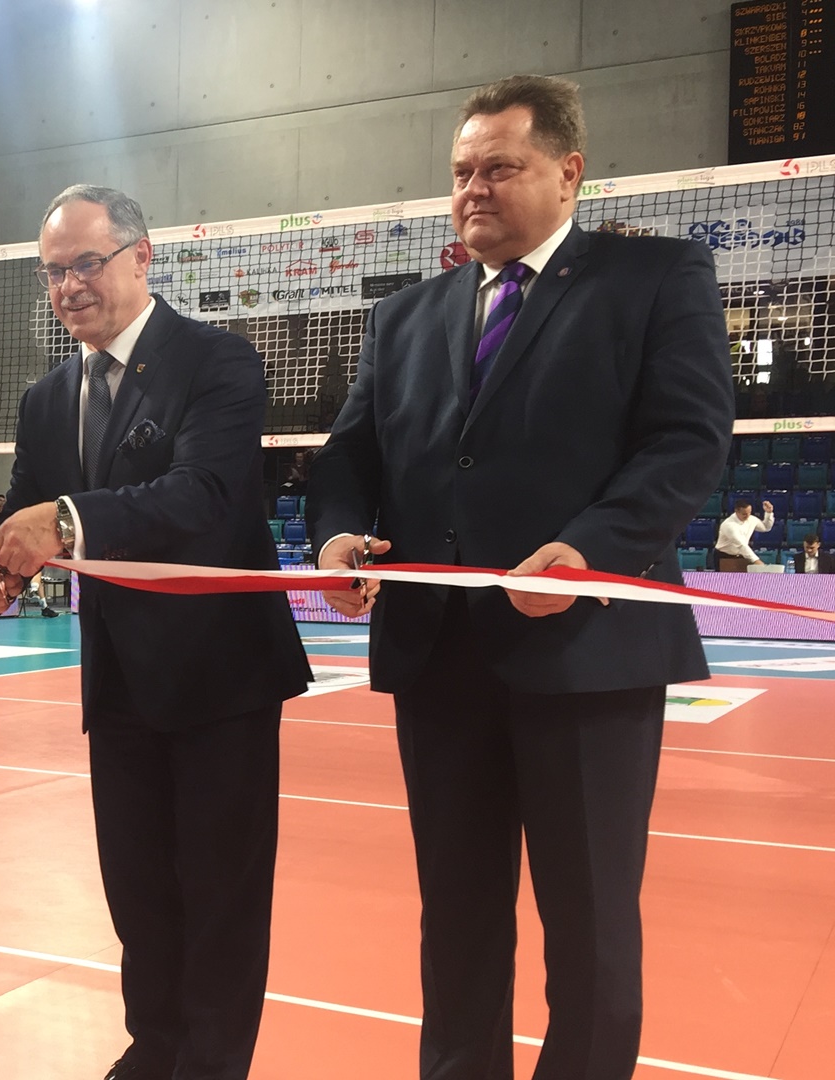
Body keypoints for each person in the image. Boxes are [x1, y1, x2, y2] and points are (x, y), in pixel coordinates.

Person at [306, 75, 733, 1080]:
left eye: (500, 167)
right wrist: (336, 536)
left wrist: (590, 551)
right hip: (437, 660)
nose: (474, 189)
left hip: (586, 651)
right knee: (455, 919)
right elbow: (349, 456)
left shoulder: (655, 279)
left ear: (568, 173)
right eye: (462, 171)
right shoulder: (403, 316)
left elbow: (687, 441)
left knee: (589, 924)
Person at [0, 185, 310, 1080]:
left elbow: (204, 497)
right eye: (53, 272)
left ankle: (212, 1064)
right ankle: (154, 1046)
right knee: (138, 889)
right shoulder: (48, 398)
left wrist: (66, 523)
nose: (69, 287)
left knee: (222, 896)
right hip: (118, 681)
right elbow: (22, 519)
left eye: (86, 263)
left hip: (221, 679)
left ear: (142, 256)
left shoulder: (218, 361)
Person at [715, 498, 773, 572]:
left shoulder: (751, 519)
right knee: (724, 579)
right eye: (744, 514)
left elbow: (765, 527)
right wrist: (757, 561)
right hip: (724, 556)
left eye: (749, 512)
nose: (747, 516)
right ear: (736, 511)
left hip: (742, 555)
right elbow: (741, 545)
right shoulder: (728, 525)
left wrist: (768, 513)